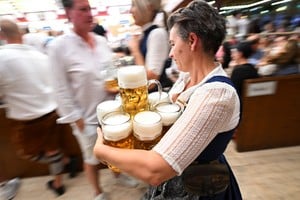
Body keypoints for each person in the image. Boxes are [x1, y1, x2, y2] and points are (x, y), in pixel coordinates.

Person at [94, 1, 242, 199]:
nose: (171, 53)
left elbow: (155, 171)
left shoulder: (217, 95)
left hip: (200, 186)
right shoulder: (186, 77)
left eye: (173, 44)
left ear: (192, 41)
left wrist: (100, 151)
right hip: (177, 179)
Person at [48, 1, 138, 200]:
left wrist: (115, 84)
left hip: (112, 111)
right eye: (82, 9)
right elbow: (59, 87)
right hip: (86, 117)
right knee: (91, 157)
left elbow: (110, 70)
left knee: (115, 148)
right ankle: (97, 192)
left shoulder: (100, 41)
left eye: (89, 8)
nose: (89, 14)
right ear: (68, 13)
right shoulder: (59, 47)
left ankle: (117, 175)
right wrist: (76, 119)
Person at [0, 19, 76, 197]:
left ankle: (63, 162)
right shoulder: (40, 56)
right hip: (51, 112)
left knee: (26, 152)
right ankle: (58, 181)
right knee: (52, 148)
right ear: (20, 34)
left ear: (2, 36)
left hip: (26, 118)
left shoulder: (2, 57)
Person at [128, 0, 172, 90]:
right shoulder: (147, 34)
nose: (130, 11)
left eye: (134, 5)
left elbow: (151, 81)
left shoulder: (157, 33)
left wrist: (135, 51)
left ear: (149, 7)